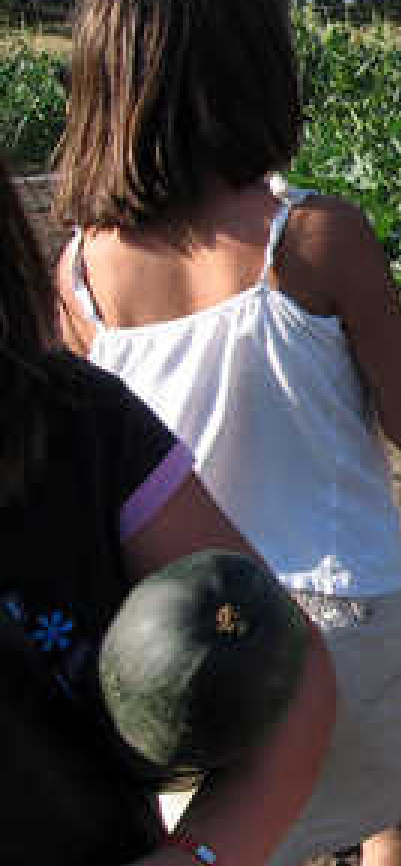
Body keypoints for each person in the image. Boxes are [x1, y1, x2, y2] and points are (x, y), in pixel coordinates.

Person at [52, 0, 401, 865]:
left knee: (233, 837)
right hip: (349, 620)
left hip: (188, 643)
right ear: (260, 68)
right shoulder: (314, 239)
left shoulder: (76, 280)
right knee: (394, 810)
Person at [0, 151, 337, 865]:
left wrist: (200, 855)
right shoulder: (314, 236)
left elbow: (296, 666)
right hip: (338, 573)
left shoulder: (74, 400)